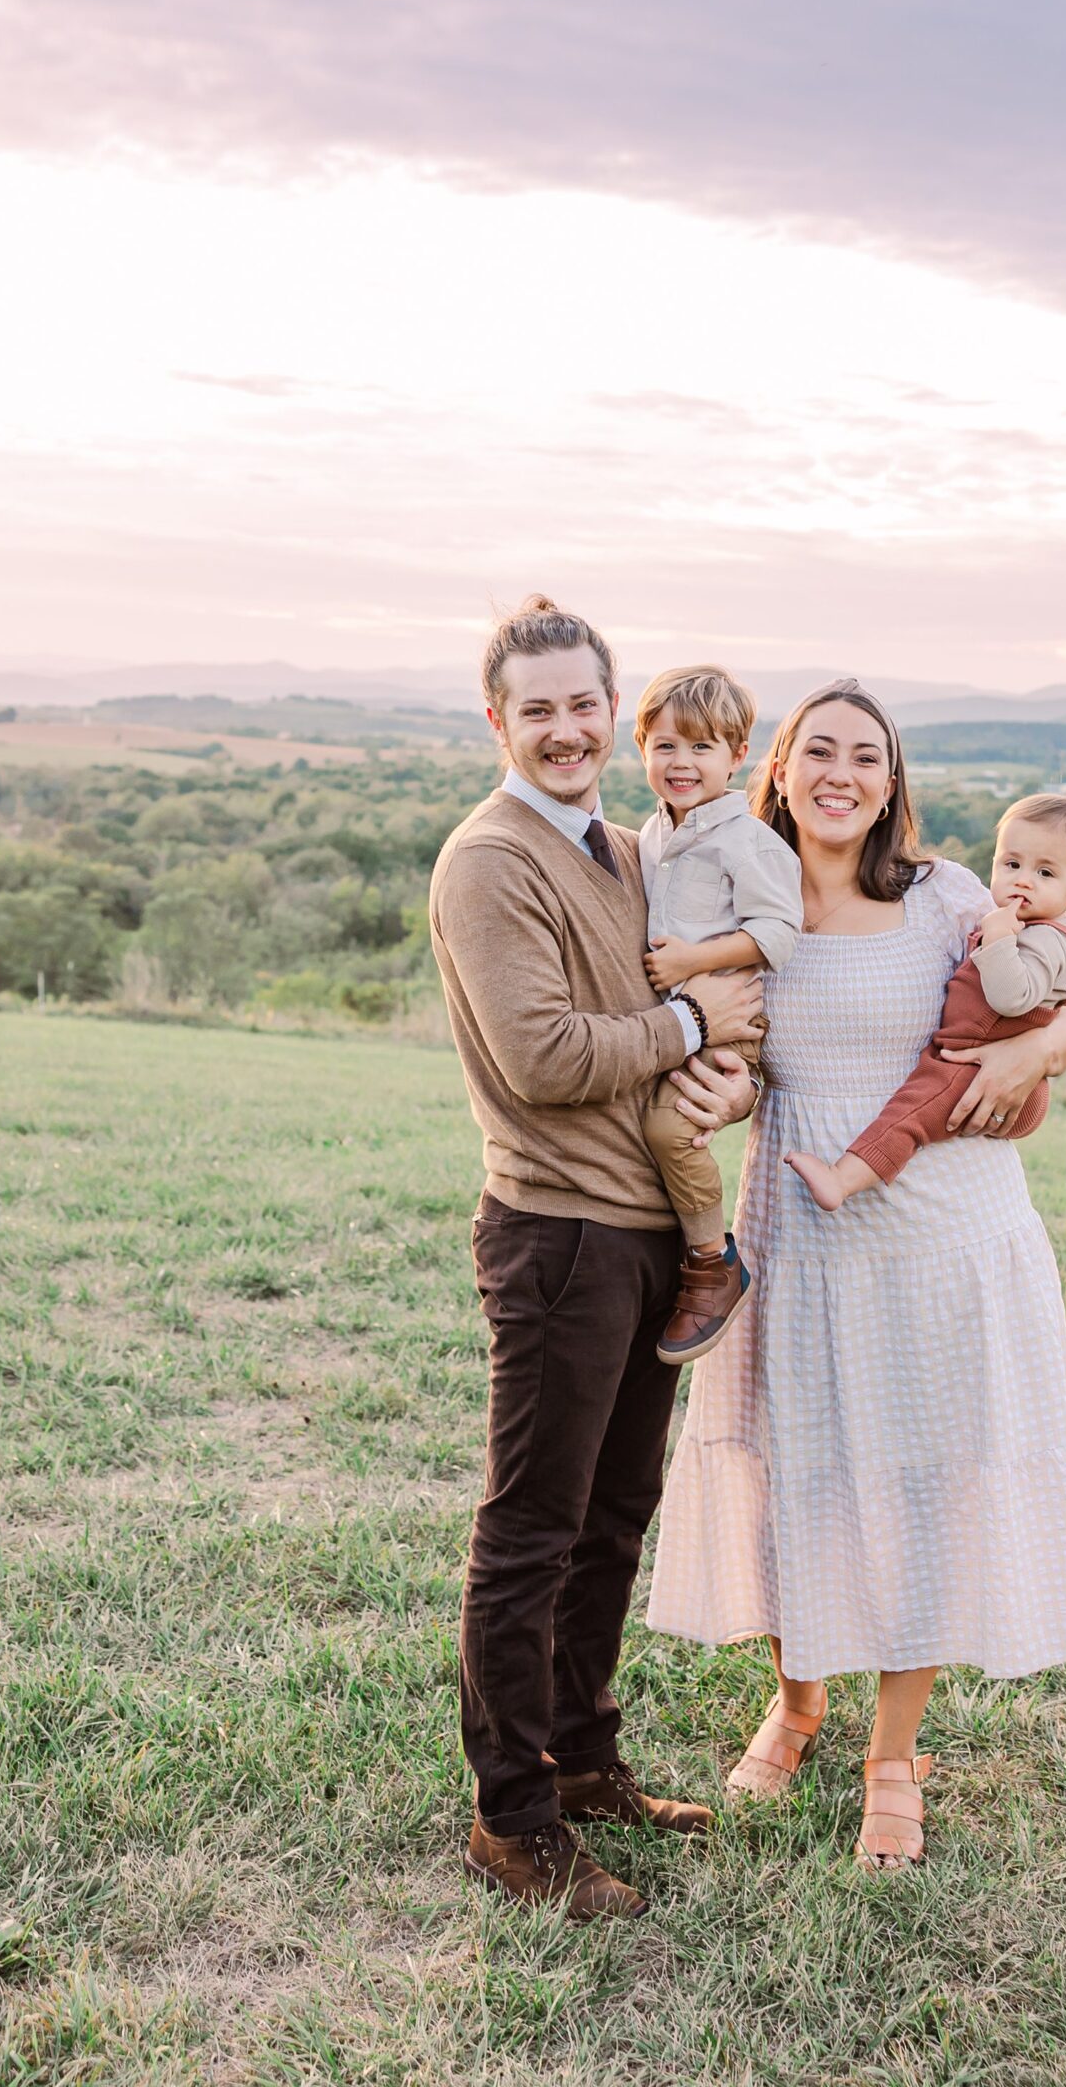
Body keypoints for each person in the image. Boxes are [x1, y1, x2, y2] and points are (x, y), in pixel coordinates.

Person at [647, 681, 1066, 1873]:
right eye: (820, 753)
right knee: (801, 1475)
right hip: (800, 1226)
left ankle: (892, 1756)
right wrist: (721, 1092)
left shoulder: (952, 893)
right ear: (782, 770)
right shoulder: (738, 901)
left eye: (869, 754)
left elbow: (1051, 1001)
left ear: (893, 781)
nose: (842, 773)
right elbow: (731, 1051)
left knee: (924, 1488)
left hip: (947, 1235)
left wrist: (1052, 1042)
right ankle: (796, 1704)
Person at [428, 596, 762, 1920]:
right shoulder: (487, 860)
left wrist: (716, 1058)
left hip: (645, 1242)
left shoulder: (628, 850)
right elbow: (547, 1056)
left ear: (606, 713)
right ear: (496, 718)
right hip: (558, 1236)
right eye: (537, 708)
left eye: (583, 706)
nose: (564, 730)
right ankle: (509, 1823)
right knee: (530, 1532)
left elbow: (704, 1014)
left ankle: (580, 1763)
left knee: (611, 1519)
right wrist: (689, 1018)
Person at [785, 791, 1066, 1210]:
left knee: (910, 1116)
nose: (1023, 880)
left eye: (1045, 873)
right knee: (914, 1104)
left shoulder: (1048, 937)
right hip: (966, 1050)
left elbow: (1012, 998)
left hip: (973, 1064)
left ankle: (842, 1179)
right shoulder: (1014, 921)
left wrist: (998, 939)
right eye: (1012, 864)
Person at [633, 663, 803, 1365]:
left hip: (728, 1019)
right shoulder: (650, 833)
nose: (681, 762)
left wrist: (689, 964)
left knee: (668, 1128)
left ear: (739, 758)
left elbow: (777, 935)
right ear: (641, 744)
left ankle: (711, 1262)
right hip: (675, 1018)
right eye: (666, 745)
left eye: (702, 748)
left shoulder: (749, 841)